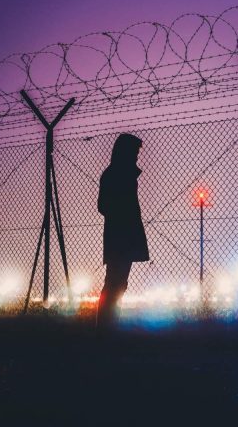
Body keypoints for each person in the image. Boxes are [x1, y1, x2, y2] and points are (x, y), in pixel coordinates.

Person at [96, 133, 149, 332]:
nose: (136, 156)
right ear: (125, 152)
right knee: (114, 283)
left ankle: (108, 327)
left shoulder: (118, 174)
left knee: (118, 283)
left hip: (121, 236)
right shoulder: (117, 175)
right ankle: (105, 329)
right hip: (121, 236)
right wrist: (123, 215)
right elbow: (104, 206)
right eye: (134, 152)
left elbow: (105, 206)